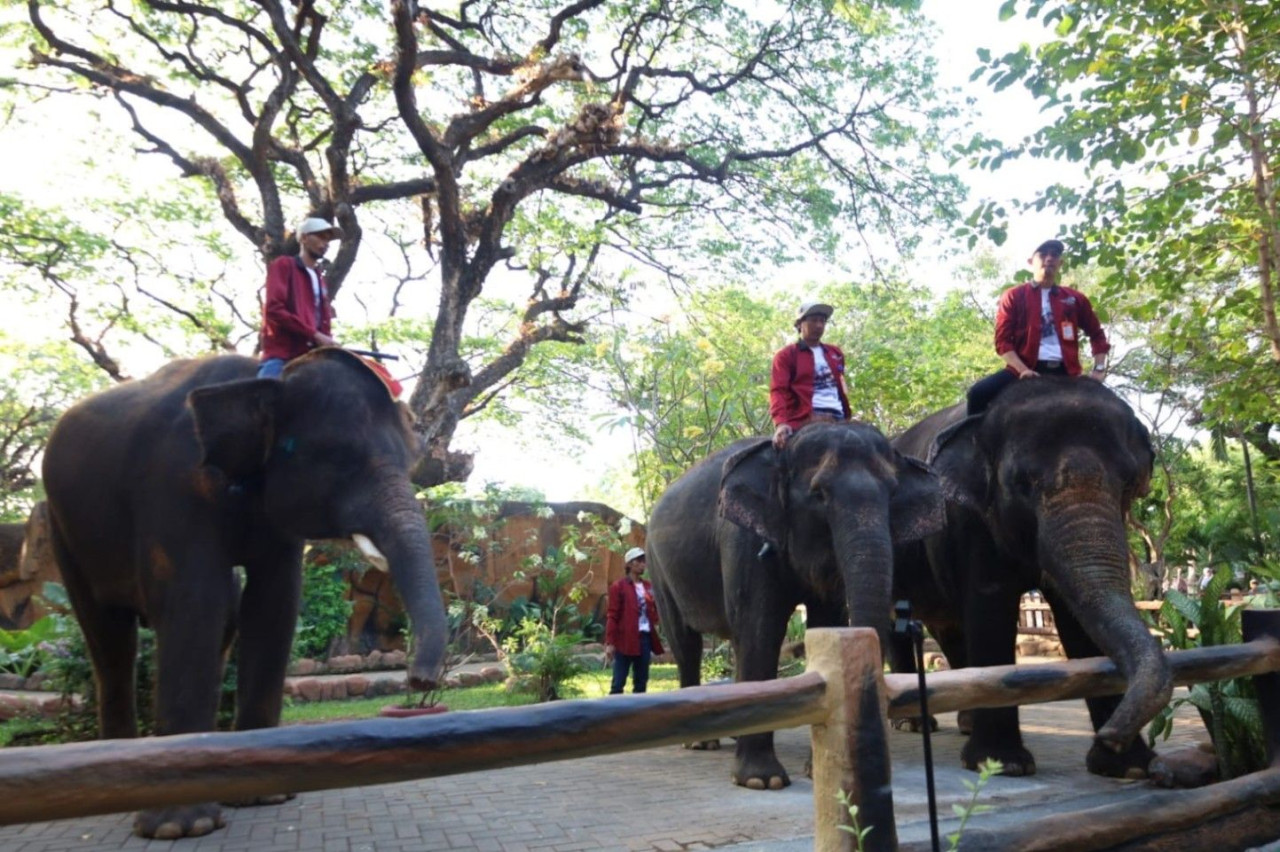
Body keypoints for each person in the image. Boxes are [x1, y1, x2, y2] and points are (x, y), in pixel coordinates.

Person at [966, 239, 1110, 416]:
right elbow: (1003, 342)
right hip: (1024, 368)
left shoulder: (1075, 299)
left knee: (1114, 410)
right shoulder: (1014, 296)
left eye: (1054, 255)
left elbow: (1097, 335)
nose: (1049, 259)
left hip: (1067, 372)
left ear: (1060, 263)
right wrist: (1023, 370)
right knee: (978, 393)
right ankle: (971, 442)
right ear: (1030, 262)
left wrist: (1099, 370)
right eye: (1043, 255)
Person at [257, 216, 343, 379]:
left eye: (328, 240)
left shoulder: (319, 279)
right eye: (320, 236)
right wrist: (315, 335)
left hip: (312, 357)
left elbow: (322, 321)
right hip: (283, 355)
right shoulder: (284, 265)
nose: (325, 243)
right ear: (303, 238)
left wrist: (329, 343)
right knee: (266, 394)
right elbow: (274, 309)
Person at [770, 300, 852, 449]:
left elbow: (840, 387)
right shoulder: (786, 355)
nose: (819, 325)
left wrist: (848, 417)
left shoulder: (835, 353)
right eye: (814, 321)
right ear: (800, 324)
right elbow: (778, 391)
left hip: (839, 418)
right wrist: (781, 423)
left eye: (822, 321)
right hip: (807, 420)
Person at [604, 546, 665, 695]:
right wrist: (610, 642)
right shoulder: (618, 587)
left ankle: (639, 716)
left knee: (641, 682)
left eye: (644, 560)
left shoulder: (648, 587)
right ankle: (614, 714)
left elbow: (654, 610)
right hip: (624, 639)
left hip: (644, 638)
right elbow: (612, 615)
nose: (643, 564)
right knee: (618, 683)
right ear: (630, 564)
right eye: (639, 560)